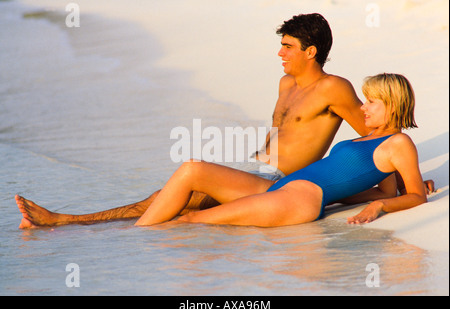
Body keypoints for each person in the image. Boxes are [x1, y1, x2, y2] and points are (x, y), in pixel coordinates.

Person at [15, 14, 432, 229]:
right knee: (165, 196)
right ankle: (69, 224)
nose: (280, 53)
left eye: (287, 46)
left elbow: (372, 140)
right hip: (259, 168)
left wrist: (399, 187)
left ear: (311, 51)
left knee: (172, 202)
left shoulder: (336, 88)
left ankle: (65, 223)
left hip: (284, 180)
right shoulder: (285, 82)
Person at [132, 73, 427, 227]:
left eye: (371, 102)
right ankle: (135, 234)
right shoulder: (369, 140)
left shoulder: (398, 144)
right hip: (275, 187)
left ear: (393, 104)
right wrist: (381, 195)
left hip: (299, 200)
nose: (362, 107)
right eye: (364, 100)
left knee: (190, 221)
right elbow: (382, 188)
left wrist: (381, 206)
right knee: (192, 169)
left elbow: (415, 196)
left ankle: (140, 249)